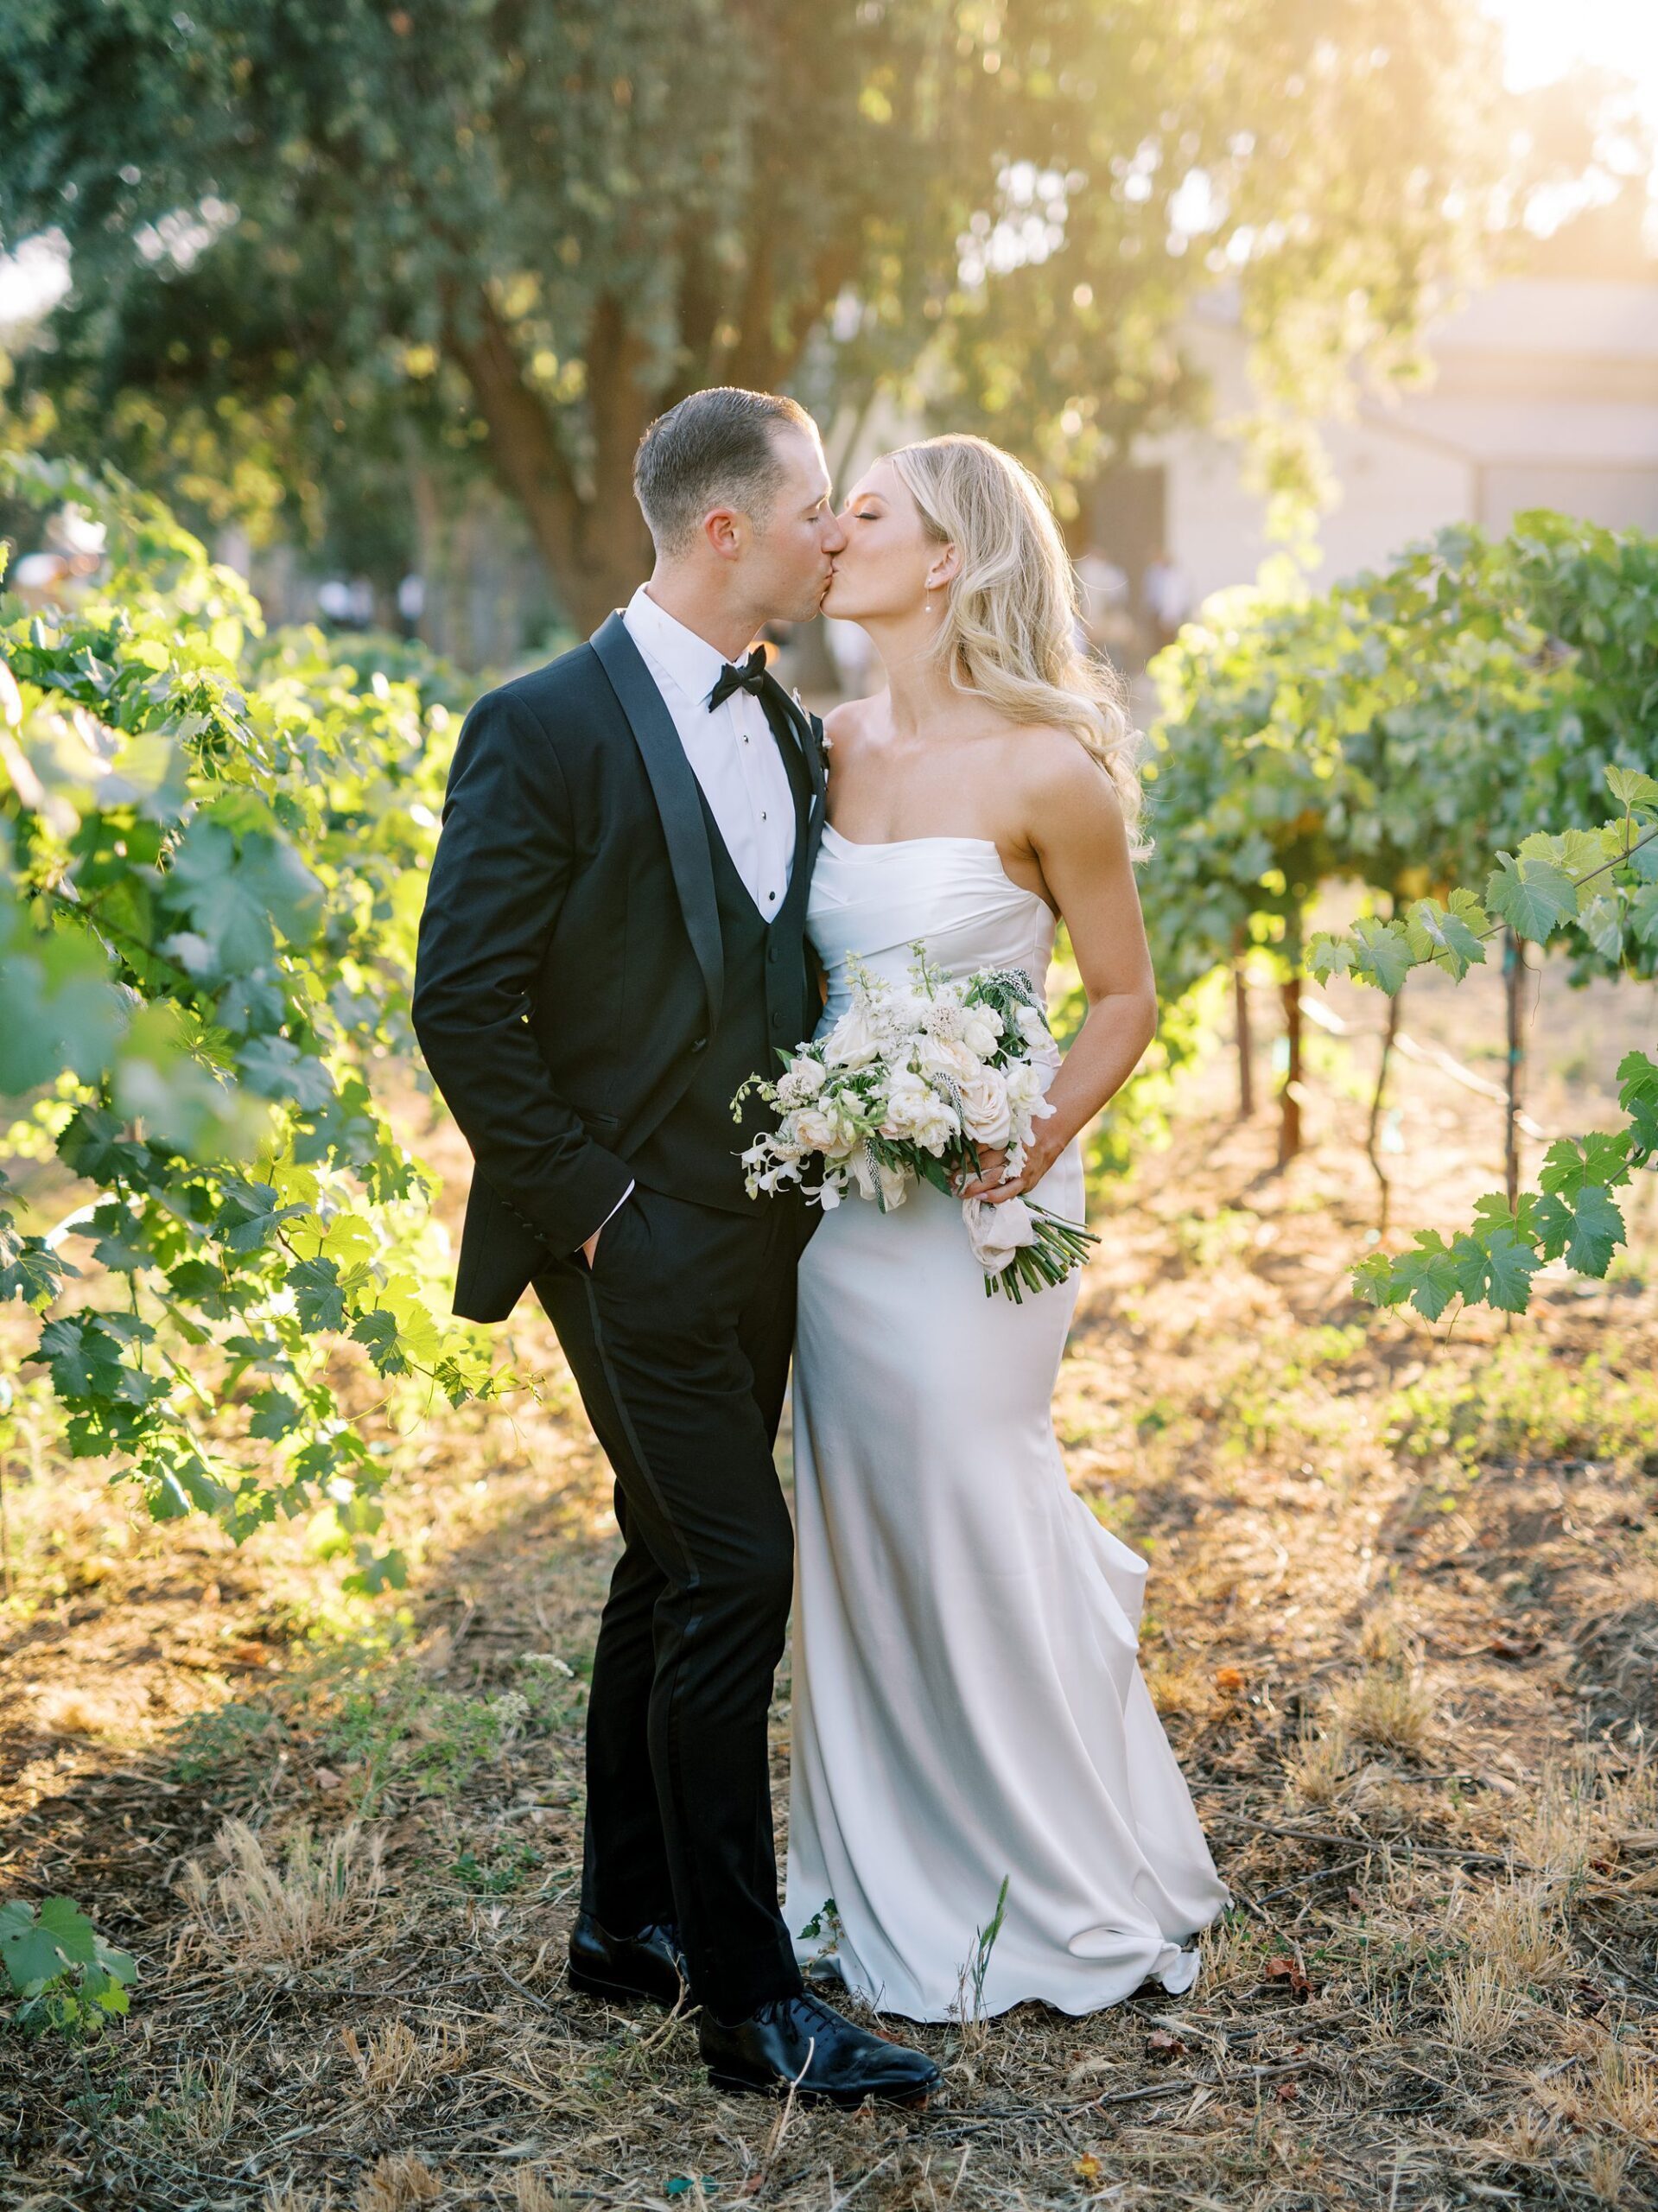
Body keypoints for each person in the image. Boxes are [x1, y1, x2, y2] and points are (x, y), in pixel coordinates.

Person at [411, 387, 939, 2108]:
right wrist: (599, 1211)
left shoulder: (783, 717)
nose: (832, 534)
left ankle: (623, 1923)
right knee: (735, 1568)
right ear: (728, 530)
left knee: (665, 1554)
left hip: (768, 1230)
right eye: (812, 509)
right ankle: (748, 2004)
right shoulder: (540, 724)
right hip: (621, 1238)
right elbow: (460, 1004)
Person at [785, 434, 1227, 2021]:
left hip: (988, 1203)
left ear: (950, 557)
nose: (834, 530)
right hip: (844, 1208)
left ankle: (1052, 1864)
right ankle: (883, 1863)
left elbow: (1123, 999)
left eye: (869, 513)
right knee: (860, 1511)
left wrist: (1024, 1138)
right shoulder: (825, 745)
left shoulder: (1051, 770)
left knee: (973, 1484)